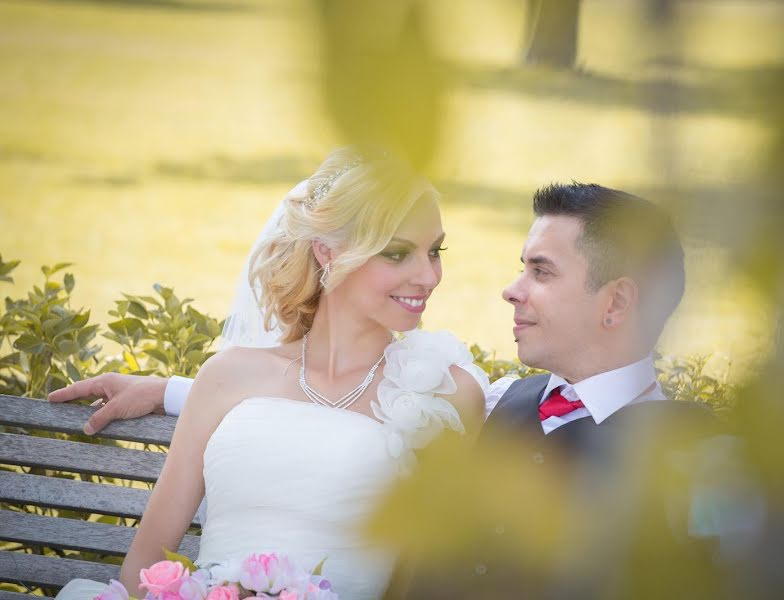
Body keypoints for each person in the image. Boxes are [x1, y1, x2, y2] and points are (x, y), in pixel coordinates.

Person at [53, 147, 488, 600]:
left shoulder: (442, 395)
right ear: (328, 252)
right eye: (398, 254)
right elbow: (147, 565)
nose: (429, 275)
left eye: (435, 251)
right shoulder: (228, 376)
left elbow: (419, 580)